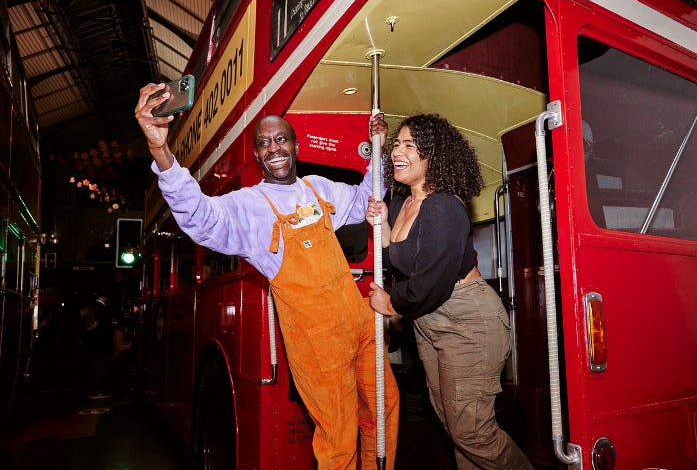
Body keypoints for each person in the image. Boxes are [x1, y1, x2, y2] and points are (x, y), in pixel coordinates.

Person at [134, 83, 399, 470]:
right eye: (264, 143)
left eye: (280, 139)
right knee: (339, 441)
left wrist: (379, 149)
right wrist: (161, 150)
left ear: (295, 146)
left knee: (384, 409)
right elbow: (199, 217)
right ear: (258, 154)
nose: (273, 148)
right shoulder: (249, 206)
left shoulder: (318, 188)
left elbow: (363, 201)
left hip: (360, 324)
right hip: (317, 346)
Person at [366, 113, 533, 470]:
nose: (399, 151)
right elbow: (398, 257)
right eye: (398, 143)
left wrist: (391, 303)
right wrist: (380, 224)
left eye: (411, 146)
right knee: (453, 424)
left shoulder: (442, 206)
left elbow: (430, 283)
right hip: (428, 321)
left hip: (468, 320)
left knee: (473, 433)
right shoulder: (402, 203)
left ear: (433, 156)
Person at [80, 292, 113, 399]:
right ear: (105, 297)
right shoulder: (102, 309)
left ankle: (93, 390)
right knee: (99, 368)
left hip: (91, 344)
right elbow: (105, 328)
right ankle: (96, 391)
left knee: (93, 368)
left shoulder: (91, 307)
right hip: (101, 345)